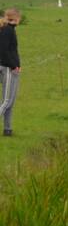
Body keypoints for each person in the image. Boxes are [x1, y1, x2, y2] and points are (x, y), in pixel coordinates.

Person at [0, 8, 22, 137]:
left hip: (11, 67)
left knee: (10, 101)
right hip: (7, 68)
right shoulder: (7, 30)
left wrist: (18, 65)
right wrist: (14, 65)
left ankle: (7, 129)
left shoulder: (9, 29)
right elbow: (4, 51)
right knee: (7, 101)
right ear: (16, 18)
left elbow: (12, 50)